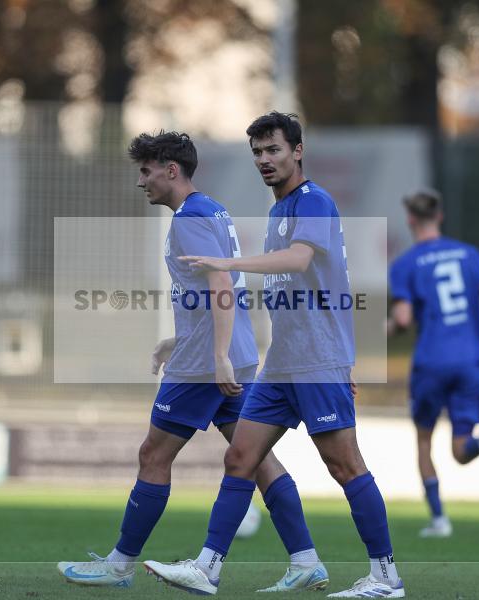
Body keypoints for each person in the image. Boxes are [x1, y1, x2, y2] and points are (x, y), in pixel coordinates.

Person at [143, 112, 404, 598]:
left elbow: (299, 260)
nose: (265, 160)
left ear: (297, 151)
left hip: (318, 361)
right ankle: (208, 567)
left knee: (345, 466)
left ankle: (386, 576)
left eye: (274, 150)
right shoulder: (277, 212)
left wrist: (228, 261)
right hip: (281, 364)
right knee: (240, 456)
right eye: (258, 153)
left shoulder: (315, 202)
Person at [56, 131, 328, 592]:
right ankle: (306, 559)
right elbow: (209, 291)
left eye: (146, 171)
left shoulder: (190, 218)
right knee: (256, 459)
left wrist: (214, 355)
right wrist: (176, 340)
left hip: (206, 364)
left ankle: (119, 565)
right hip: (227, 355)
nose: (141, 181)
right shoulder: (211, 209)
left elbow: (222, 284)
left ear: (170, 170)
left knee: (153, 454)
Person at [387, 189, 479, 538]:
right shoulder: (469, 253)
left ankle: (439, 519)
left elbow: (405, 319)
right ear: (439, 216)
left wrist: (389, 327)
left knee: (424, 440)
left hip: (431, 362)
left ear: (411, 220)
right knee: (460, 448)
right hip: (471, 360)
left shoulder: (406, 264)